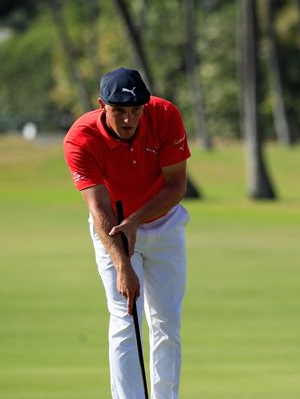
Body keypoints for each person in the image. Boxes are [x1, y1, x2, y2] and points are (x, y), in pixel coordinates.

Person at [63, 67, 191, 398]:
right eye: (119, 110)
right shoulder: (81, 138)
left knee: (166, 322)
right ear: (101, 105)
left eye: (135, 111)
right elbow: (99, 209)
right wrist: (123, 264)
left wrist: (136, 220)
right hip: (113, 230)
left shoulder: (164, 116)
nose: (127, 120)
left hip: (164, 223)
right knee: (125, 318)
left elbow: (176, 186)